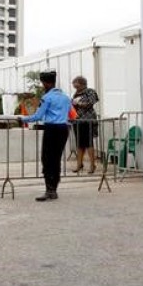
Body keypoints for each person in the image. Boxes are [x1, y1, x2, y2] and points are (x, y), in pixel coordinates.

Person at [20, 70, 73, 201]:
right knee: (56, 159)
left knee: (47, 159)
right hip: (63, 129)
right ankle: (53, 189)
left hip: (52, 129)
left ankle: (49, 190)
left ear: (45, 83)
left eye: (43, 83)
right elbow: (72, 114)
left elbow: (38, 116)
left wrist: (23, 119)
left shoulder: (47, 98)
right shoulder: (66, 97)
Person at [71, 76, 99, 174]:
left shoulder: (90, 91)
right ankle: (79, 164)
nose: (74, 86)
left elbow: (91, 102)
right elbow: (73, 105)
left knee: (89, 143)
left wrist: (78, 102)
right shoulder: (76, 93)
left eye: (76, 84)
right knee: (79, 144)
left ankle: (92, 165)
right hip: (77, 121)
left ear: (82, 83)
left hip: (88, 120)